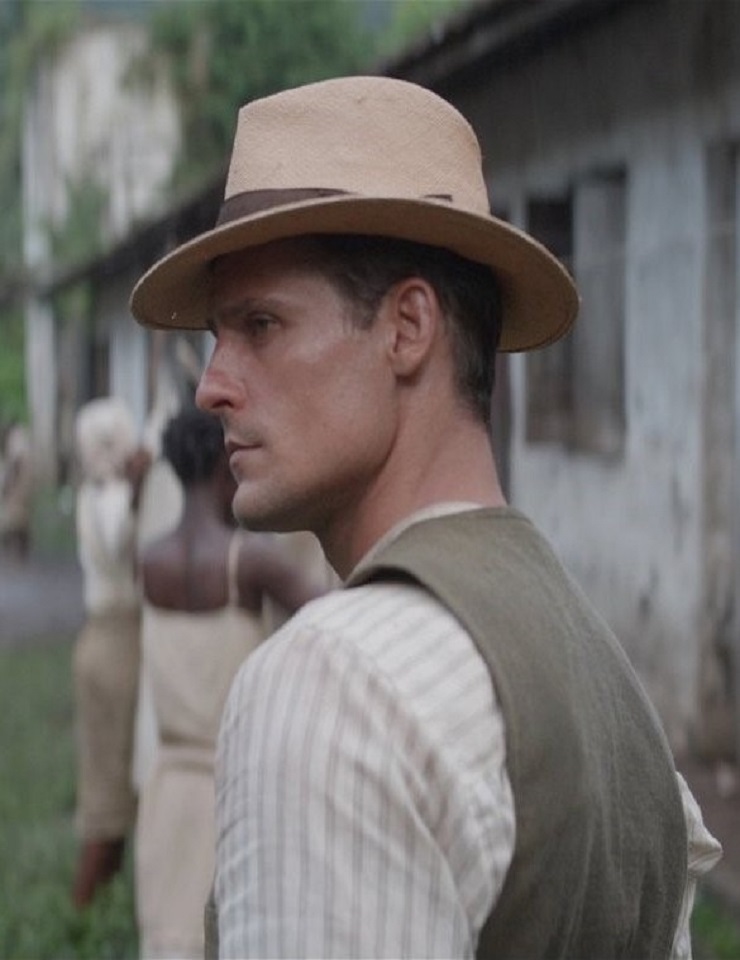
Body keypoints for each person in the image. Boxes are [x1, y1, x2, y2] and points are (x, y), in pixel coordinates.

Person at [130, 76, 722, 959]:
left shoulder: (335, 684)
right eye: (216, 337)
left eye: (261, 325)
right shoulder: (605, 676)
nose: (212, 386)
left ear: (407, 328)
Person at [134, 405, 324, 960]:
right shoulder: (250, 561)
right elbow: (334, 617)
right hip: (234, 786)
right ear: (226, 465)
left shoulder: (148, 561)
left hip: (167, 786)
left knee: (168, 935)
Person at [72, 396, 151, 907]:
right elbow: (118, 534)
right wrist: (138, 486)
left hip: (103, 642)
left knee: (111, 788)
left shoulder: (92, 491)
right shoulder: (110, 495)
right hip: (117, 644)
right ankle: (83, 917)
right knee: (108, 798)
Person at [0, 420, 33, 561]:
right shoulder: (21, 439)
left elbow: (17, 464)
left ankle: (17, 553)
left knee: (16, 524)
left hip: (17, 494)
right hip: (18, 494)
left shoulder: (18, 444)